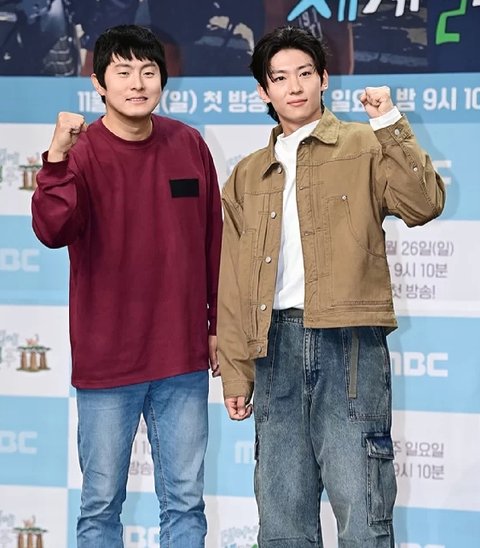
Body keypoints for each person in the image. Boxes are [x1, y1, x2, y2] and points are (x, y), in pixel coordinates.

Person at [217, 26, 445, 547]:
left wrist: (389, 123)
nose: (294, 86)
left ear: (323, 79)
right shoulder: (247, 175)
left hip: (350, 342)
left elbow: (424, 204)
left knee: (363, 513)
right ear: (263, 91)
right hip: (272, 347)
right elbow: (232, 281)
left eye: (304, 73)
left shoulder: (365, 144)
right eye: (280, 78)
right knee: (281, 524)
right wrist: (235, 370)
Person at [31, 24, 222, 548]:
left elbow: (213, 242)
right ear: (98, 83)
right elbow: (51, 230)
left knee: (185, 504)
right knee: (100, 507)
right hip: (107, 361)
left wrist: (216, 326)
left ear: (162, 78)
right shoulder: (81, 152)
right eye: (122, 72)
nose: (137, 83)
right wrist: (56, 160)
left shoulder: (189, 143)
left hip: (182, 357)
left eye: (148, 71)